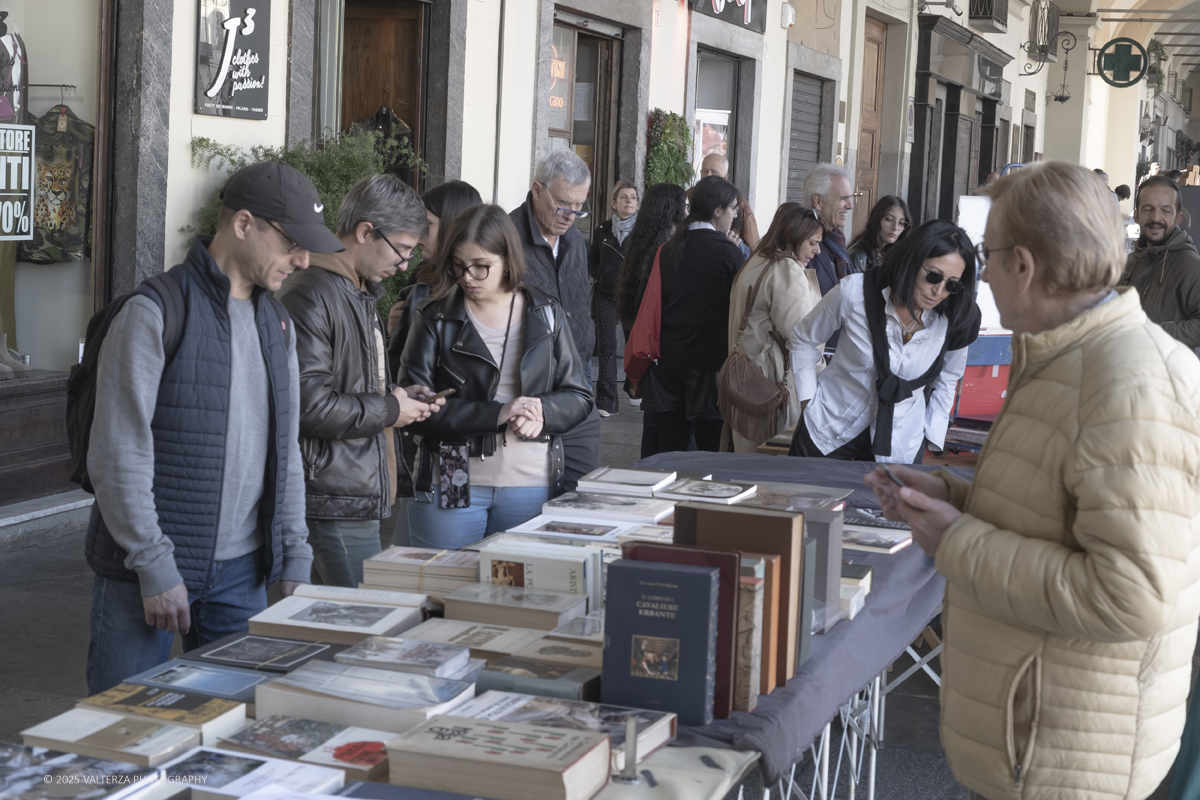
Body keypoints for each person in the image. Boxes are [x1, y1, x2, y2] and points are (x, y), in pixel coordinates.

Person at [864, 161, 1200, 800]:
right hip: (1032, 744)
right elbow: (1054, 508)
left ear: (1023, 265)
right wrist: (949, 496)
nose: (981, 274)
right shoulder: (1066, 355)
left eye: (987, 256)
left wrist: (956, 539)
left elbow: (1129, 594)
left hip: (1060, 759)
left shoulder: (1128, 382)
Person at [84, 162, 344, 694]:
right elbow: (118, 454)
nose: (302, 260)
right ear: (244, 224)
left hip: (242, 576)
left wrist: (294, 553)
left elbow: (286, 452)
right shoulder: (154, 311)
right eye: (293, 242)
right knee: (123, 737)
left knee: (236, 732)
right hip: (147, 574)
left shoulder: (278, 324)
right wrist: (154, 565)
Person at [276, 174, 444, 588]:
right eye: (402, 249)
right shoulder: (312, 292)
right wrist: (390, 409)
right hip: (331, 495)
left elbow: (347, 385)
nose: (405, 264)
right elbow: (308, 405)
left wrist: (396, 397)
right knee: (366, 620)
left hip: (347, 489)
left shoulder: (355, 288)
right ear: (365, 231)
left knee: (326, 621)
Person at [399, 205, 593, 548]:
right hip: (453, 473)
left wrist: (543, 411)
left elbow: (579, 395)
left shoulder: (545, 312)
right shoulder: (435, 316)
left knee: (517, 593)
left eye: (481, 266)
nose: (468, 276)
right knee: (443, 589)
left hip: (531, 481)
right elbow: (412, 407)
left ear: (508, 260)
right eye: (459, 265)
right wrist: (496, 413)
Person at [788, 219, 980, 463]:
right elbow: (804, 338)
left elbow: (949, 377)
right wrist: (807, 399)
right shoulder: (855, 293)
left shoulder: (955, 317)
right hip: (827, 428)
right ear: (911, 262)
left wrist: (931, 430)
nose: (939, 291)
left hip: (900, 445)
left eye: (951, 284)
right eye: (933, 276)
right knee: (805, 499)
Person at [510, 150, 601, 491]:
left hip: (577, 380)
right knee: (530, 492)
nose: (571, 215)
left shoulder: (575, 240)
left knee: (582, 490)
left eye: (579, 207)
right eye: (563, 204)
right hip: (529, 386)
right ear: (537, 189)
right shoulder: (506, 239)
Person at [640, 176, 743, 454]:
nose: (735, 216)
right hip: (709, 365)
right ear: (717, 210)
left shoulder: (667, 249)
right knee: (710, 448)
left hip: (666, 362)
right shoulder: (727, 253)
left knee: (670, 446)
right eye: (733, 208)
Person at [724, 203, 824, 452]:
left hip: (746, 380)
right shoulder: (786, 269)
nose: (817, 250)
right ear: (795, 235)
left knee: (746, 461)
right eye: (812, 242)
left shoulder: (756, 261)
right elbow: (801, 337)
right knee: (773, 469)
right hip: (774, 389)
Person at [615, 182, 688, 450]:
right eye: (685, 205)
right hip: (657, 344)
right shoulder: (665, 247)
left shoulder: (643, 239)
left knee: (654, 421)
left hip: (641, 333)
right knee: (659, 423)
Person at [387, 180, 483, 356]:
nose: (418, 232)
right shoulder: (421, 274)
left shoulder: (481, 285)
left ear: (453, 224)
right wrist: (394, 332)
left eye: (428, 223)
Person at [1120, 175, 1200, 349]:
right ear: (1136, 216)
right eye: (1148, 209)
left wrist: (1150, 333)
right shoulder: (1131, 261)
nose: (1156, 218)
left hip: (1167, 372)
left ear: (1178, 218)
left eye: (1165, 210)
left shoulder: (1189, 265)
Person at [588, 180, 638, 417]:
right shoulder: (602, 230)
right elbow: (592, 259)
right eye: (624, 197)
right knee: (607, 348)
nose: (629, 201)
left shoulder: (643, 233)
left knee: (635, 346)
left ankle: (635, 389)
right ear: (613, 202)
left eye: (633, 197)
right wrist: (601, 274)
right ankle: (606, 402)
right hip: (605, 295)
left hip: (632, 296)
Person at [801, 164, 855, 295]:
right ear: (818, 201)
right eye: (843, 198)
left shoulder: (837, 240)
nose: (850, 206)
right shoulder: (800, 242)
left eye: (851, 198)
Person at [697, 152, 760, 249]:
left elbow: (754, 249)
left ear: (725, 177)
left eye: (714, 172)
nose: (709, 176)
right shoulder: (688, 198)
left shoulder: (740, 205)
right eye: (705, 171)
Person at [847, 195, 910, 273]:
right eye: (889, 219)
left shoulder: (889, 253)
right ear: (876, 219)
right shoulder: (858, 256)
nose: (895, 228)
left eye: (901, 223)